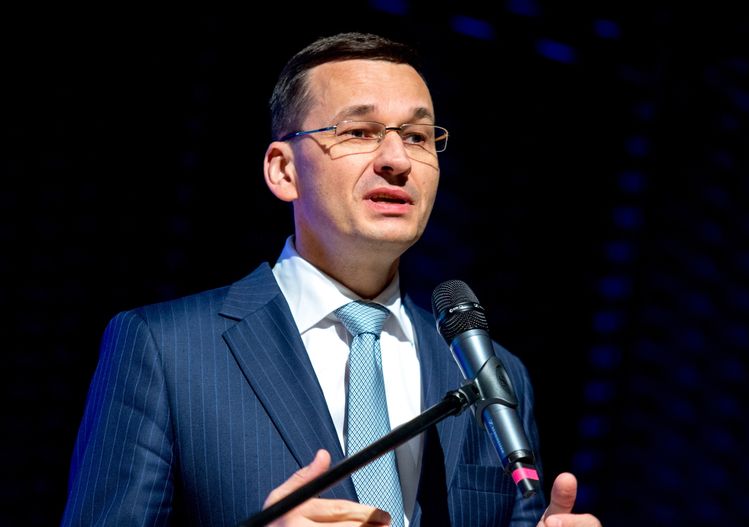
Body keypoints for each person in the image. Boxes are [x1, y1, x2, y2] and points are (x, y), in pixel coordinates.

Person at [61, 32, 601, 527]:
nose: (397, 160)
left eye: (417, 136)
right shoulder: (165, 350)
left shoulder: (494, 371)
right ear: (284, 170)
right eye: (360, 132)